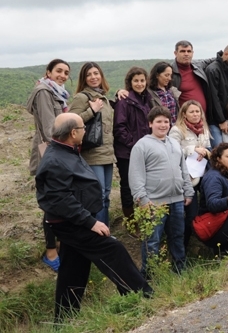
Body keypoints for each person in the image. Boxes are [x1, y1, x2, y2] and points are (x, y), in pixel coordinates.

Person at [36, 113, 151, 322]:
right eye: (82, 128)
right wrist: (91, 222)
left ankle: (63, 320)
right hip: (72, 223)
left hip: (75, 220)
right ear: (73, 133)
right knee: (113, 250)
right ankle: (143, 297)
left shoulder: (65, 150)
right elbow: (60, 200)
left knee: (73, 270)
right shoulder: (55, 160)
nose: (85, 130)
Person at [129, 106, 194, 275]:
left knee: (177, 237)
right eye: (159, 122)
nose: (163, 125)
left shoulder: (174, 143)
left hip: (177, 200)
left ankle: (181, 270)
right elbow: (135, 175)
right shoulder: (141, 145)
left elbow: (183, 169)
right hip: (154, 202)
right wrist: (142, 199)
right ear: (150, 123)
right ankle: (149, 276)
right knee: (152, 241)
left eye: (166, 121)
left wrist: (188, 191)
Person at [26, 58, 71, 272]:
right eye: (58, 71)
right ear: (48, 72)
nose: (62, 75)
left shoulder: (58, 93)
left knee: (59, 199)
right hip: (50, 155)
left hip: (58, 153)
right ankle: (51, 252)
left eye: (66, 72)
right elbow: (48, 128)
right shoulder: (44, 92)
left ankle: (60, 243)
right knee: (51, 203)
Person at [69, 62, 115, 226]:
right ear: (84, 79)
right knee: (98, 195)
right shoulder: (82, 97)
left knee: (106, 195)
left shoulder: (104, 98)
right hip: (92, 154)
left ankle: (105, 230)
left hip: (108, 154)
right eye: (89, 74)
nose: (94, 77)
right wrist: (92, 110)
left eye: (96, 73)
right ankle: (98, 234)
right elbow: (70, 122)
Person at [113, 67, 155, 220]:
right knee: (128, 185)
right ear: (130, 82)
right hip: (127, 152)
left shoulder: (148, 99)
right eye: (136, 81)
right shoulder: (123, 101)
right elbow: (119, 128)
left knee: (144, 184)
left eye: (142, 80)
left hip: (145, 150)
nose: (139, 84)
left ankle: (146, 217)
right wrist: (136, 145)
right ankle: (130, 221)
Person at [168, 100, 211, 248]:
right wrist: (192, 149)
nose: (195, 114)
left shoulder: (204, 128)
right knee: (189, 213)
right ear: (184, 114)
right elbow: (172, 150)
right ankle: (182, 246)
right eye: (191, 112)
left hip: (202, 173)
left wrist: (206, 152)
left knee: (204, 208)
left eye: (197, 111)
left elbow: (208, 149)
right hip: (185, 176)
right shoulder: (176, 130)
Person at [170, 40, 213, 114]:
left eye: (189, 51)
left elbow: (209, 61)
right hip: (184, 120)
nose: (186, 54)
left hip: (203, 118)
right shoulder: (170, 72)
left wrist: (222, 56)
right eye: (182, 51)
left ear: (192, 53)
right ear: (175, 53)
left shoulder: (197, 66)